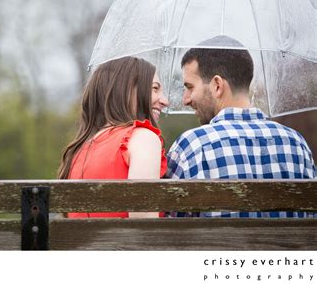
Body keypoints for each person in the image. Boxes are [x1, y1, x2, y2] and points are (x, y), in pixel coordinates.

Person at [167, 35, 315, 218]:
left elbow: (173, 234)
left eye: (190, 87)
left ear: (217, 85)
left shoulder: (192, 147)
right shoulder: (297, 144)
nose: (186, 99)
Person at [58, 56, 169, 218]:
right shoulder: (143, 139)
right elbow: (144, 225)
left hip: (78, 243)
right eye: (155, 89)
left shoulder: (79, 150)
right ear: (127, 90)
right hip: (123, 243)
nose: (165, 101)